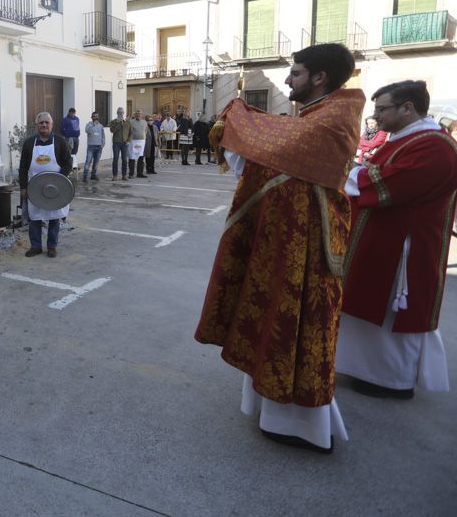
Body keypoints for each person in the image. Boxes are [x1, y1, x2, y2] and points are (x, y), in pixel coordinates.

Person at [194, 43, 365, 453]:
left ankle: (301, 424)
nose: (287, 79)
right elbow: (279, 150)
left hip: (307, 250)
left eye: (296, 73)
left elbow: (284, 145)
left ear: (319, 78)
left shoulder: (331, 120)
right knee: (272, 316)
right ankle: (270, 405)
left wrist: (239, 120)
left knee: (296, 322)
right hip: (285, 243)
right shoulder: (313, 115)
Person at [337, 80, 457, 400]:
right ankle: (368, 371)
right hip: (385, 241)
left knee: (392, 313)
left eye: (382, 109)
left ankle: (392, 380)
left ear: (408, 108)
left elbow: (394, 182)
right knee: (369, 308)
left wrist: (342, 172)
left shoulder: (436, 146)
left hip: (405, 251)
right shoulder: (407, 138)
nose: (376, 117)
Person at [19, 111, 72, 258]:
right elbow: (23, 167)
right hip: (34, 187)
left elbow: (68, 164)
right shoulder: (29, 143)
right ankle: (35, 246)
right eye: (41, 123)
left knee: (54, 217)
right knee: (34, 217)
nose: (44, 125)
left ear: (52, 125)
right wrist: (23, 187)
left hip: (55, 188)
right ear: (37, 125)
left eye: (46, 122)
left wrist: (59, 181)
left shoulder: (60, 141)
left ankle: (51, 246)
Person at [109, 107, 131, 181]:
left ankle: (124, 175)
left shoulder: (127, 122)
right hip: (116, 143)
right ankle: (115, 175)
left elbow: (131, 132)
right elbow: (112, 130)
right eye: (119, 112)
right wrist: (118, 123)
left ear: (123, 113)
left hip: (125, 143)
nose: (120, 114)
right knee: (115, 159)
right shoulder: (113, 121)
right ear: (117, 113)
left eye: (121, 112)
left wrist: (128, 140)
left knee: (124, 159)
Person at [83, 111, 105, 182]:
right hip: (91, 147)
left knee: (96, 163)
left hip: (99, 147)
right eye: (94, 116)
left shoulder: (101, 126)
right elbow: (87, 131)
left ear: (98, 117)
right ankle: (85, 176)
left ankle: (93, 175)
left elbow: (103, 136)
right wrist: (93, 125)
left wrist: (102, 144)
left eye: (96, 116)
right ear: (92, 117)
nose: (95, 117)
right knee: (88, 162)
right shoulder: (89, 124)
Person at [128, 110, 148, 178]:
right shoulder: (131, 122)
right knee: (132, 157)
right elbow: (128, 131)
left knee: (141, 157)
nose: (138, 115)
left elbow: (146, 131)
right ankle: (131, 173)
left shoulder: (145, 122)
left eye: (140, 114)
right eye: (137, 114)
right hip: (133, 141)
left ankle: (140, 173)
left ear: (142, 115)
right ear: (135, 115)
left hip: (141, 142)